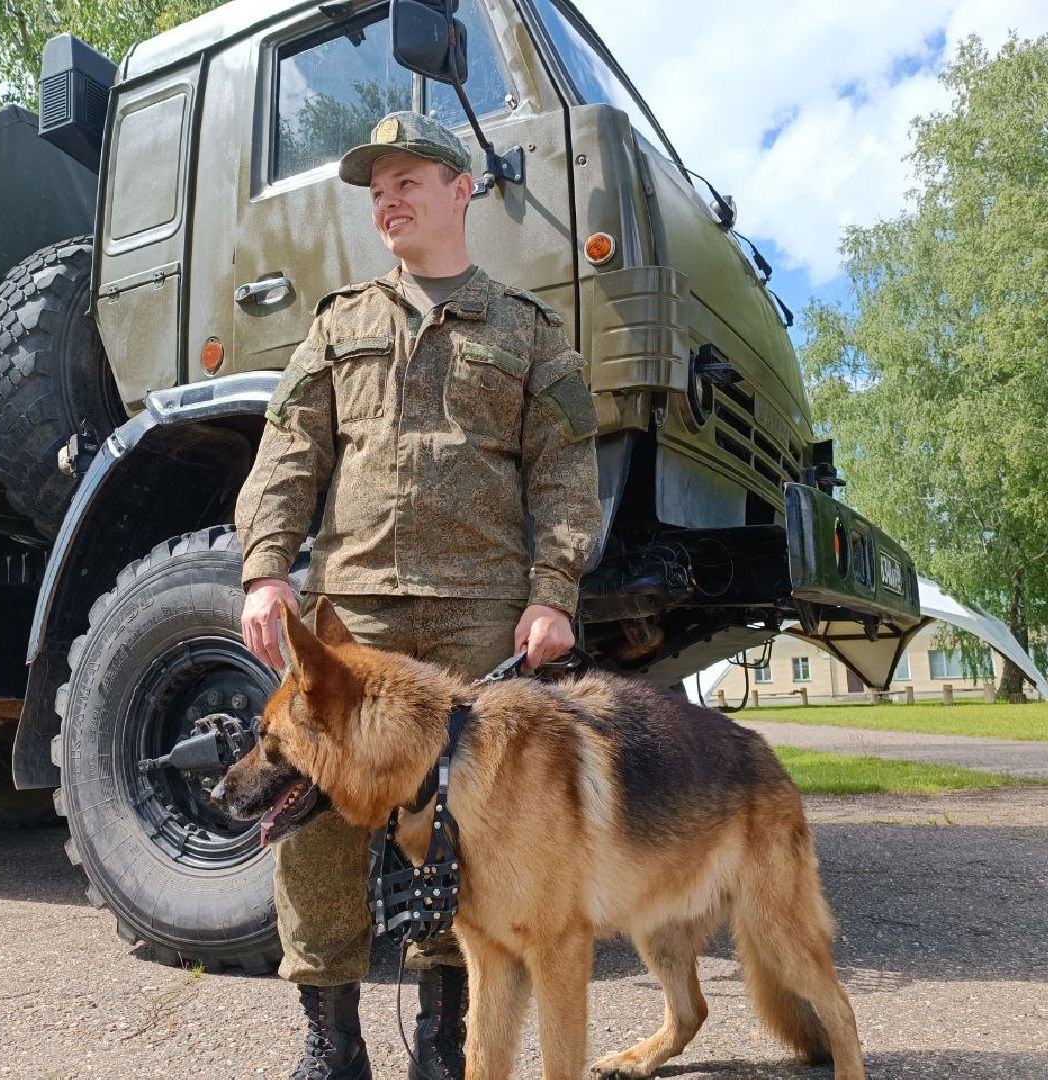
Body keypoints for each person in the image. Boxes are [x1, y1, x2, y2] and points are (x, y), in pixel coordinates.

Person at [234, 111, 603, 1080]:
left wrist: (552, 592)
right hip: (346, 626)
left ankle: (445, 1040)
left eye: (409, 179)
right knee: (312, 819)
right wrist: (267, 565)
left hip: (476, 623)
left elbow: (566, 476)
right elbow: (289, 453)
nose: (387, 198)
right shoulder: (340, 326)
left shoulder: (528, 334)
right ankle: (330, 1040)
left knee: (463, 831)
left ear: (460, 190)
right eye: (375, 187)